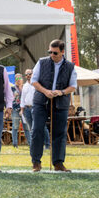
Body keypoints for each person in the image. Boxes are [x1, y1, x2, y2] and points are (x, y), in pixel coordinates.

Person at [30, 39, 77, 172]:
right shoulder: (41, 62)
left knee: (59, 133)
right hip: (40, 101)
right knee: (37, 130)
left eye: (55, 52)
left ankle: (58, 163)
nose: (52, 54)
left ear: (62, 52)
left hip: (61, 103)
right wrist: (46, 91)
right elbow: (34, 81)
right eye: (50, 52)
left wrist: (61, 92)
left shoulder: (70, 66)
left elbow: (73, 86)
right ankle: (36, 162)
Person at [21, 68, 49, 150]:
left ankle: (47, 144)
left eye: (29, 73)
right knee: (31, 128)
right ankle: (35, 145)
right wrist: (22, 110)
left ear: (33, 74)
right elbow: (22, 98)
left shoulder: (37, 84)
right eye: (26, 74)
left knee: (42, 127)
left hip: (37, 107)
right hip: (26, 108)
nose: (28, 76)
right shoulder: (25, 86)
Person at [11, 73, 31, 147]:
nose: (18, 80)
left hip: (25, 109)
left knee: (26, 127)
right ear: (15, 80)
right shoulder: (12, 88)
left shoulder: (25, 87)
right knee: (15, 126)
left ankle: (30, 143)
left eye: (19, 78)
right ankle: (15, 144)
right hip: (15, 109)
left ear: (22, 79)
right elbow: (9, 99)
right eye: (17, 79)